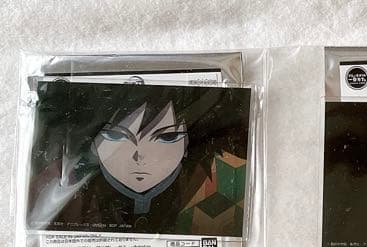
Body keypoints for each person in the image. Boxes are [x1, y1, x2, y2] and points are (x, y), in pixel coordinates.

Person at [26, 81, 249, 237]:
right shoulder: (63, 185)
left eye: (167, 137)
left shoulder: (217, 178)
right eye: (117, 137)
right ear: (93, 143)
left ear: (187, 143)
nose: (139, 156)